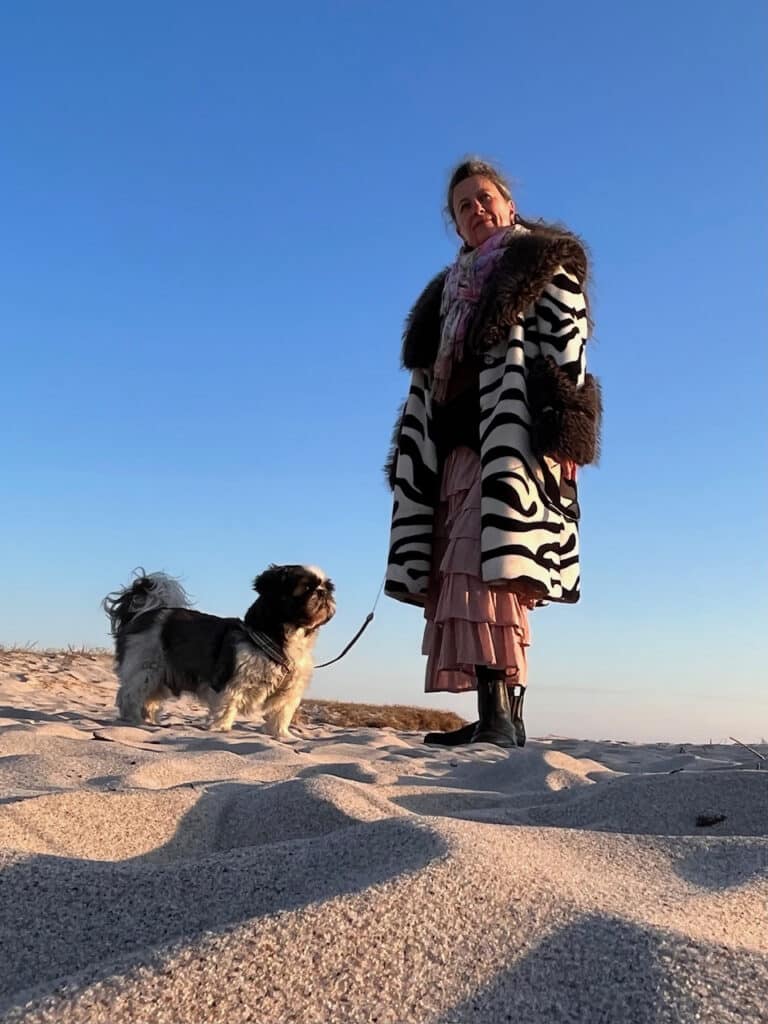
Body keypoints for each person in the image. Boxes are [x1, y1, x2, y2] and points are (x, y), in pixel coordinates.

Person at [384, 158, 601, 748]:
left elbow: (567, 348)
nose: (476, 210)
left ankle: (500, 717)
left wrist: (566, 428)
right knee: (464, 567)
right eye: (464, 206)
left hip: (511, 439)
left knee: (489, 568)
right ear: (455, 224)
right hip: (451, 446)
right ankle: (499, 715)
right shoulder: (445, 292)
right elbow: (429, 379)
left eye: (484, 198)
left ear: (508, 204)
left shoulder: (543, 261)